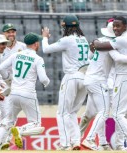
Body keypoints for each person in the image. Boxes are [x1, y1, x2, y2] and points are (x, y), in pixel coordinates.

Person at [81, 20, 127, 151]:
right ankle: (89, 139)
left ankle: (101, 142)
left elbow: (89, 57)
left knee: (97, 113)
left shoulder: (99, 42)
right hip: (99, 81)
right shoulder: (109, 45)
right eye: (115, 27)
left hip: (89, 79)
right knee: (104, 113)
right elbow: (118, 58)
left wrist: (94, 44)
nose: (116, 29)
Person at [0, 32, 50, 150]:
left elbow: (1, 68)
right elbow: (43, 79)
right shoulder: (38, 58)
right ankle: (18, 130)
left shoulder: (16, 55)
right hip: (28, 94)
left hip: (14, 93)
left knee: (8, 121)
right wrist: (47, 83)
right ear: (36, 44)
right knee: (36, 124)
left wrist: (7, 78)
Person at [42, 15, 89, 150]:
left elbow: (46, 49)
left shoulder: (67, 39)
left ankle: (65, 144)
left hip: (71, 77)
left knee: (62, 113)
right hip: (84, 77)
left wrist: (45, 37)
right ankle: (76, 141)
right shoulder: (84, 39)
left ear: (65, 27)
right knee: (72, 112)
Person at [0, 23, 27, 150]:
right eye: (8, 32)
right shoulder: (0, 47)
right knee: (6, 114)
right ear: (3, 34)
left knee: (11, 114)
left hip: (18, 83)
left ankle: (4, 141)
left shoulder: (22, 46)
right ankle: (5, 140)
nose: (11, 34)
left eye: (13, 32)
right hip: (3, 84)